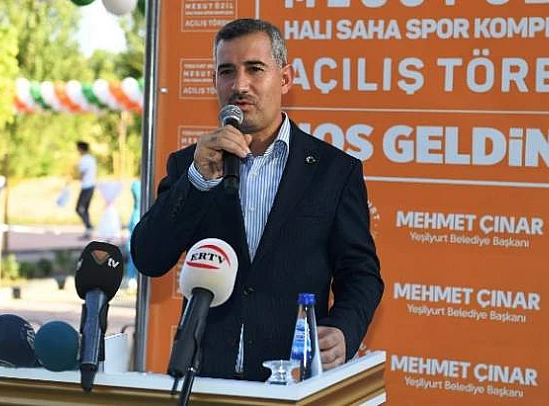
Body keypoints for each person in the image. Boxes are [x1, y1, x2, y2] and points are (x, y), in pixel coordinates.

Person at [130, 18, 383, 382]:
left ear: (285, 78)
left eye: (255, 69)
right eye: (227, 72)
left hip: (292, 380)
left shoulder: (333, 171)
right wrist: (198, 180)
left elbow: (361, 274)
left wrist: (343, 329)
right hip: (205, 378)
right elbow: (149, 257)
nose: (239, 85)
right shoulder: (191, 165)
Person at [75, 141, 97, 240]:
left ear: (80, 149)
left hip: (86, 186)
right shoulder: (91, 158)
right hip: (92, 185)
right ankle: (88, 230)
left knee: (79, 208)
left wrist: (76, 178)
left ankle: (89, 227)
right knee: (85, 208)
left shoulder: (84, 159)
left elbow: (82, 174)